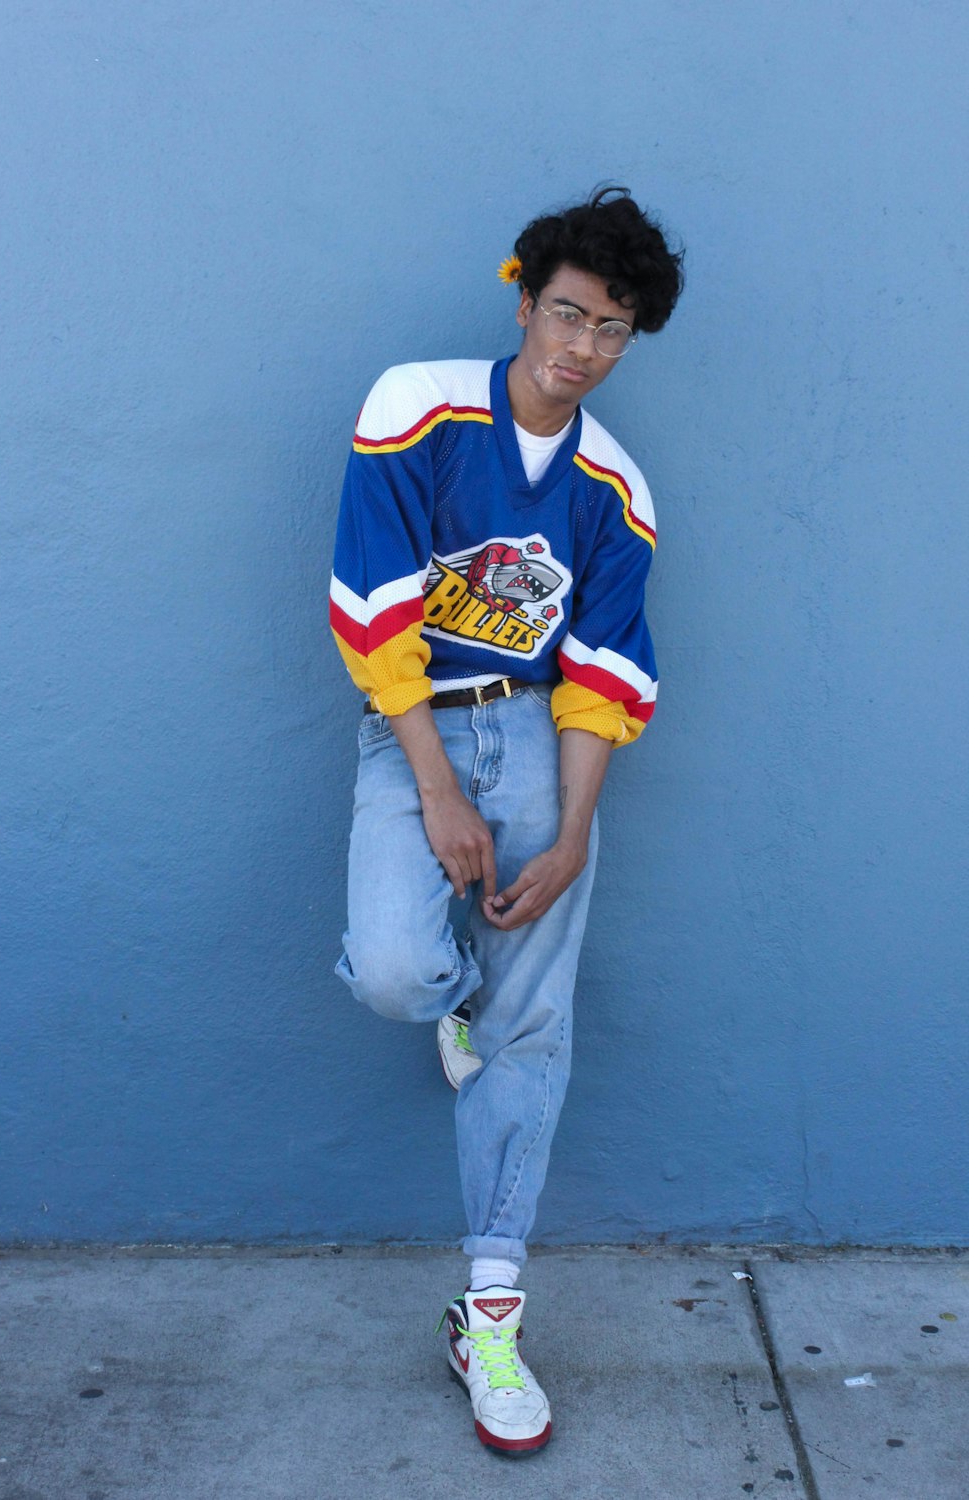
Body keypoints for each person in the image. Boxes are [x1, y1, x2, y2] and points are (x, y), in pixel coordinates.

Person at [329, 186, 683, 1456]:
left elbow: (602, 673)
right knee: (392, 969)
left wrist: (573, 830)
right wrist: (431, 785)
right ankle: (454, 1006)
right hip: (413, 723)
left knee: (532, 1021)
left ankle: (488, 1313)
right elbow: (370, 604)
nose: (581, 346)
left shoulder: (613, 486)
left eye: (613, 329)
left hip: (539, 740)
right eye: (568, 312)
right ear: (524, 297)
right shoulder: (413, 405)